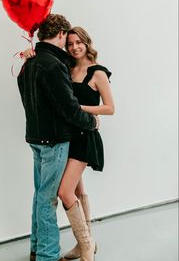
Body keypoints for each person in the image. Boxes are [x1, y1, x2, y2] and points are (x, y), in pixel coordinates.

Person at [24, 26, 115, 261]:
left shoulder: (98, 73)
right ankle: (84, 243)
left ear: (87, 43)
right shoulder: (65, 67)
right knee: (77, 190)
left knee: (64, 192)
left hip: (84, 136)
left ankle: (86, 246)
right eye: (70, 43)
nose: (74, 47)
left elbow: (109, 108)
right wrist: (29, 54)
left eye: (79, 43)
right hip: (66, 136)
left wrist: (79, 109)